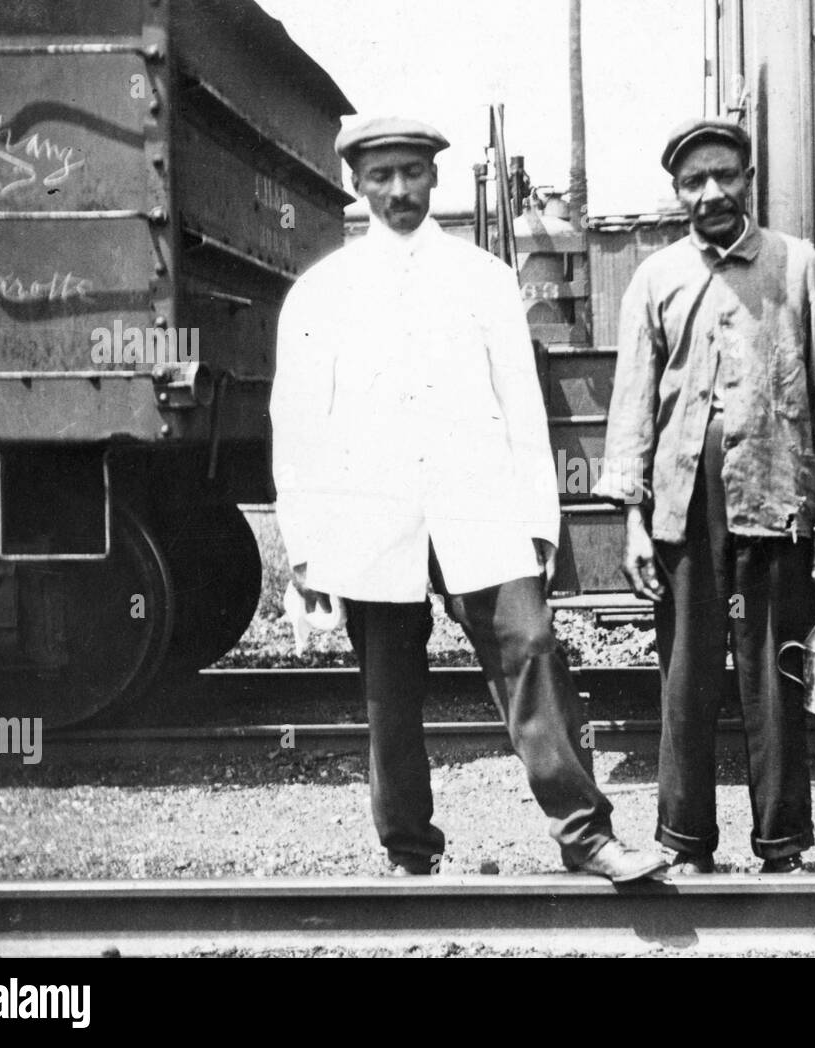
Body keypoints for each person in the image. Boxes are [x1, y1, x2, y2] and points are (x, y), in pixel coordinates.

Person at [270, 116, 668, 883]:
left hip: (477, 505)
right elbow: (297, 425)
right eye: (381, 175)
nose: (398, 190)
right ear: (357, 184)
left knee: (532, 646)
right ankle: (408, 852)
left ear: (434, 178)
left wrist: (538, 525)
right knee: (389, 689)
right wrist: (307, 543)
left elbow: (522, 405)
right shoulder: (323, 293)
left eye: (412, 172)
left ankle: (586, 836)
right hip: (371, 512)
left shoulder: (481, 277)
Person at [592, 118, 815, 874]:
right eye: (693, 181)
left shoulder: (797, 266)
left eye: (724, 176)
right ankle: (685, 843)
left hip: (776, 494)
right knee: (686, 677)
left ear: (747, 180)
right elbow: (632, 409)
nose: (711, 192)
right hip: (682, 503)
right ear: (677, 193)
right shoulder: (655, 278)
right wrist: (634, 522)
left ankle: (781, 844)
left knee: (772, 672)